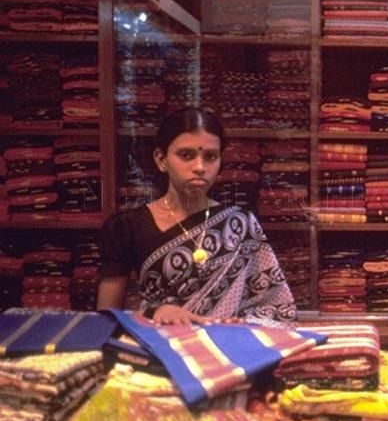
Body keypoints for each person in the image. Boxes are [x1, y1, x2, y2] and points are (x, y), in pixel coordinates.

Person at [97, 107, 297, 326]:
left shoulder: (240, 223)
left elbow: (278, 309)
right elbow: (106, 319)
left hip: (231, 350)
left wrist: (228, 327)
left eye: (210, 157)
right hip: (160, 349)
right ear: (161, 159)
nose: (200, 167)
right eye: (186, 155)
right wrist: (154, 312)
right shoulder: (126, 227)